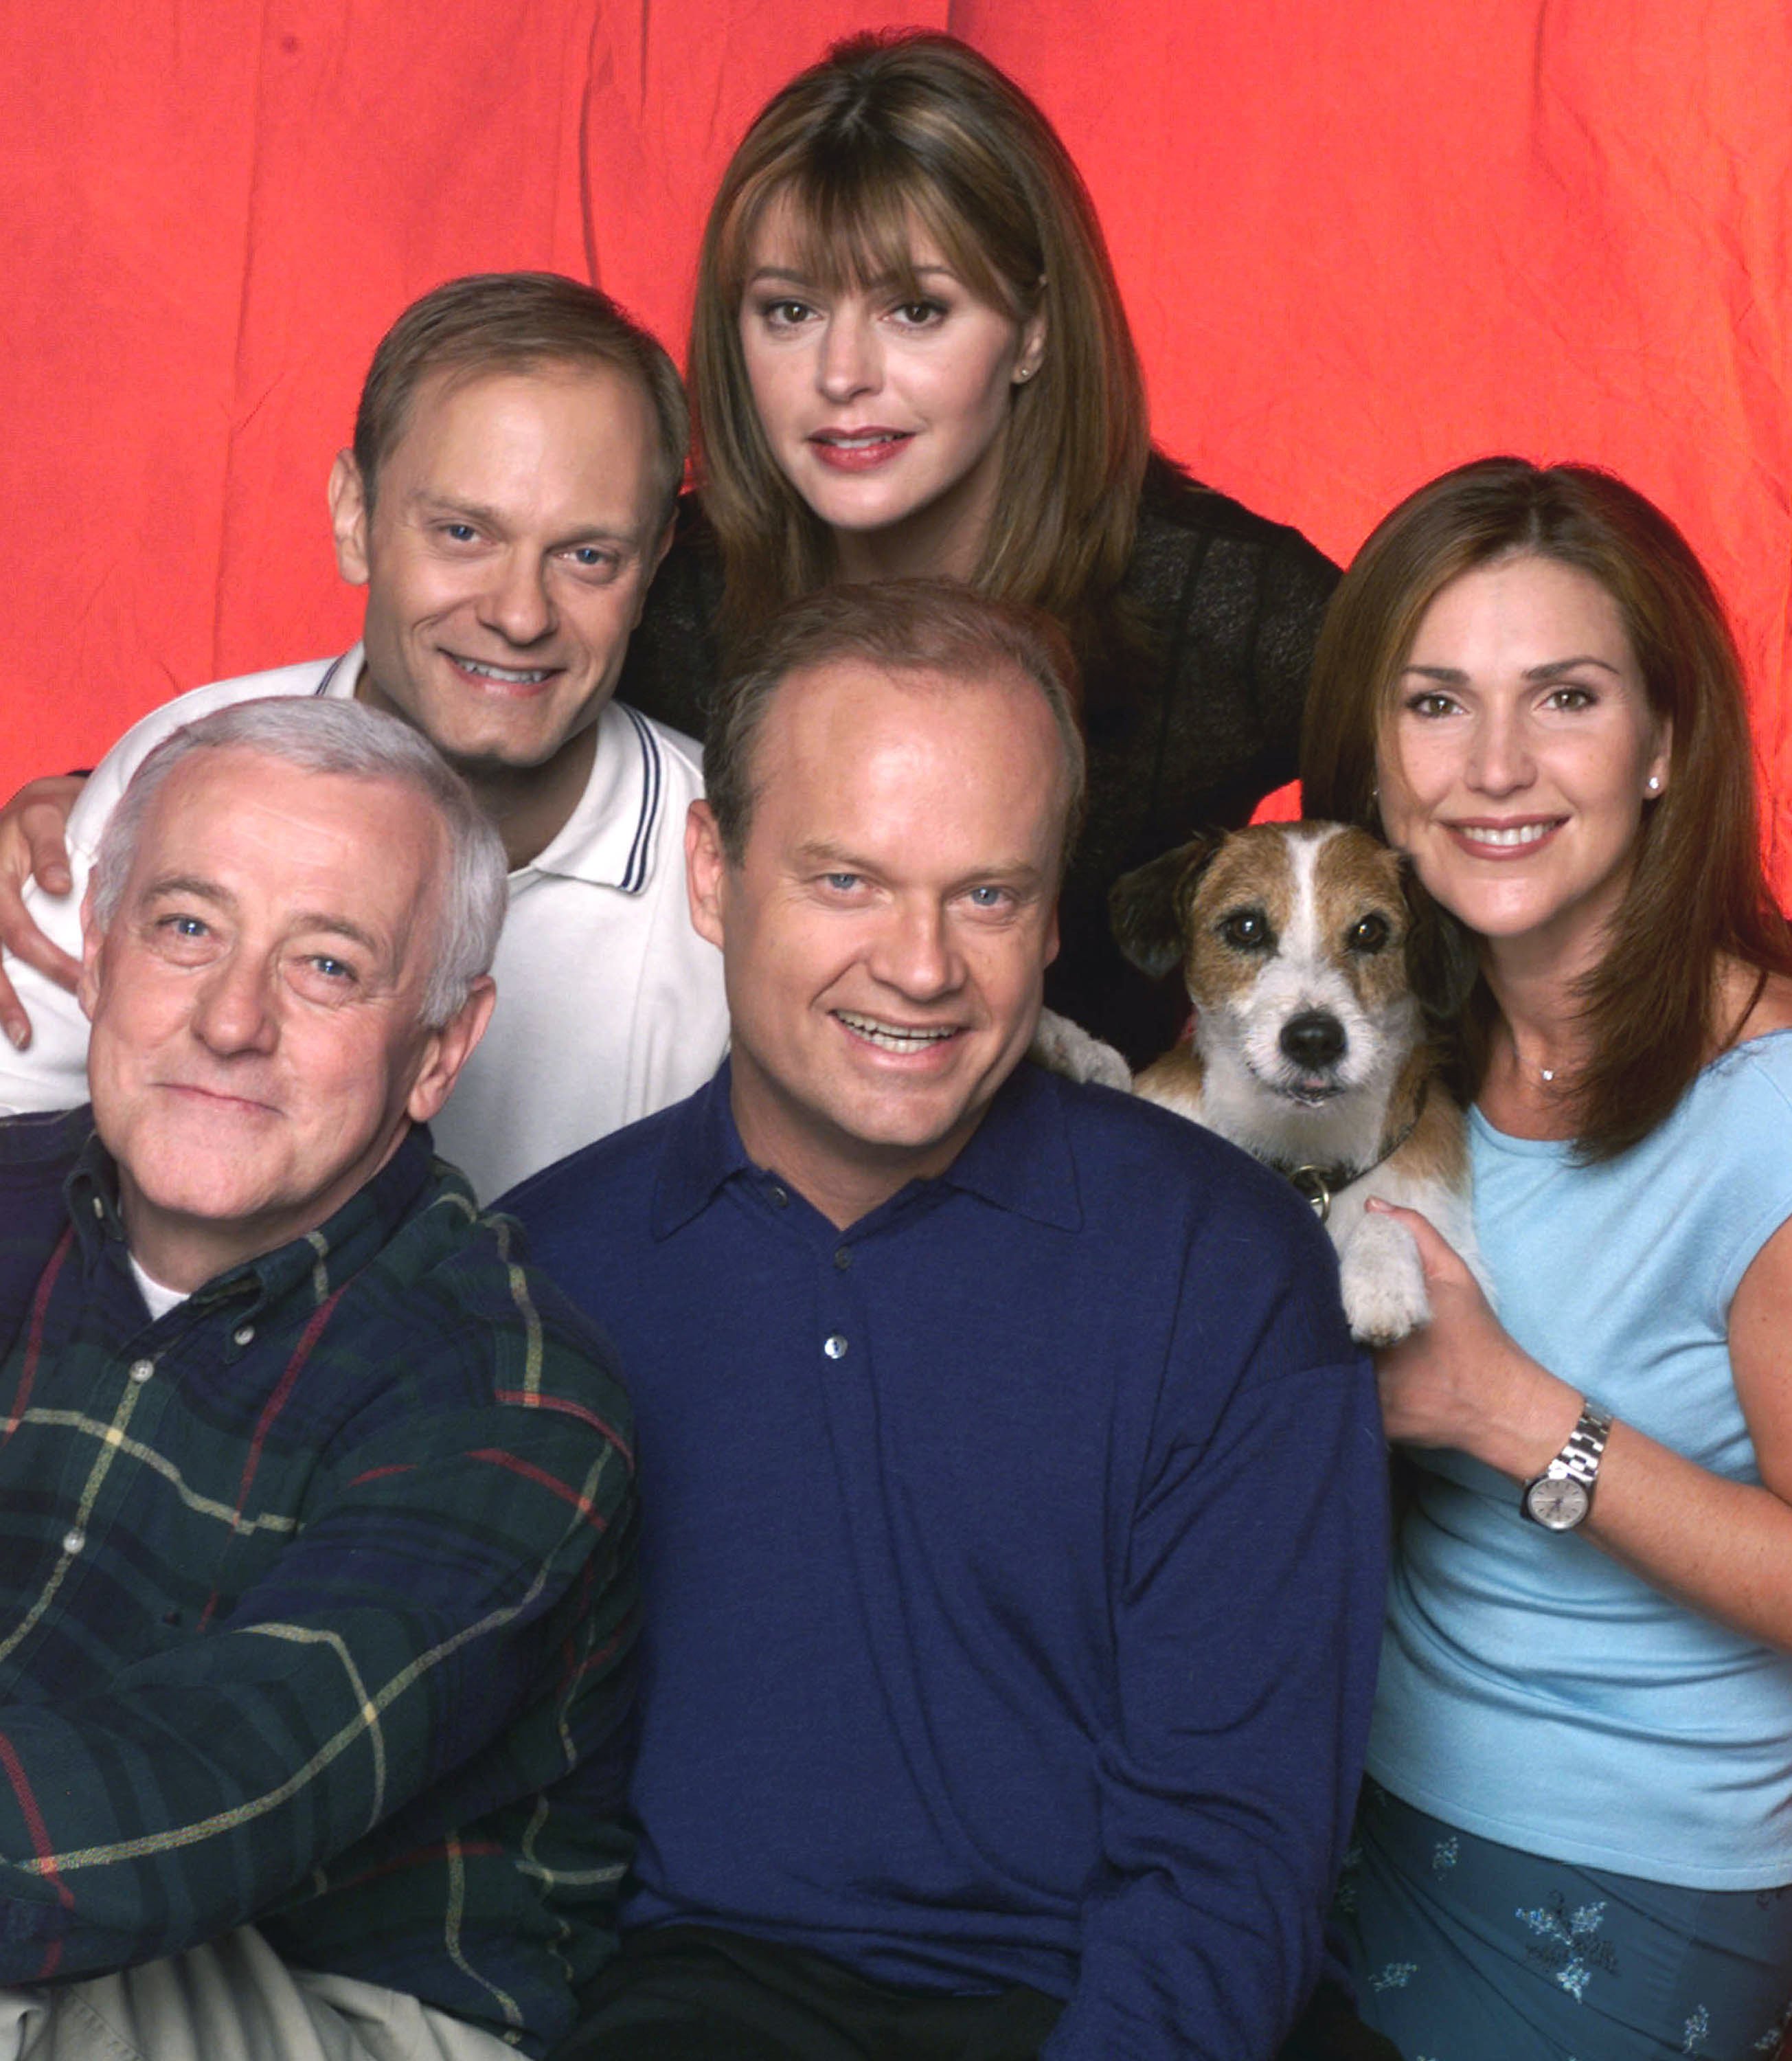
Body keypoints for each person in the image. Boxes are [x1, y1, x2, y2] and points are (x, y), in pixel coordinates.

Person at [502, 579, 1390, 2060]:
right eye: (845, 881)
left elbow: (1232, 1862)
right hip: (688, 2007)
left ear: (1051, 916)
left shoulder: (1224, 1269)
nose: (920, 967)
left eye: (986, 893)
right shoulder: (544, 1270)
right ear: (714, 874)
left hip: (1127, 2009)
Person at [0, 697, 637, 2060]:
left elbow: (182, 1807)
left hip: (340, 2005)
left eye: (329, 967)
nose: (233, 1018)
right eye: (186, 929)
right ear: (100, 961)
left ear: (443, 1053)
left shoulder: (511, 1390)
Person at [1299, 458, 1792, 2057]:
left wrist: (1513, 1416)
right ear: (1377, 761)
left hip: (1619, 1876)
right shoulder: (1381, 1047)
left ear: (1665, 744)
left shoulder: (1770, 1107)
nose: (1494, 765)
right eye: (1436, 704)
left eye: (1564, 696)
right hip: (1334, 1804)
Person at [614, 28, 1340, 1066]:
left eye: (916, 309)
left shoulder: (1226, 604)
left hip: (1109, 1204)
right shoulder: (660, 602)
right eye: (789, 310)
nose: (841, 372)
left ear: (1033, 329)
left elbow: (1465, 854)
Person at [0, 271, 728, 1198]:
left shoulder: (732, 864)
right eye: (463, 532)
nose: (518, 614)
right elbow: (13, 1133)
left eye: (587, 556)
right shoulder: (185, 763)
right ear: (356, 517)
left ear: (654, 562)